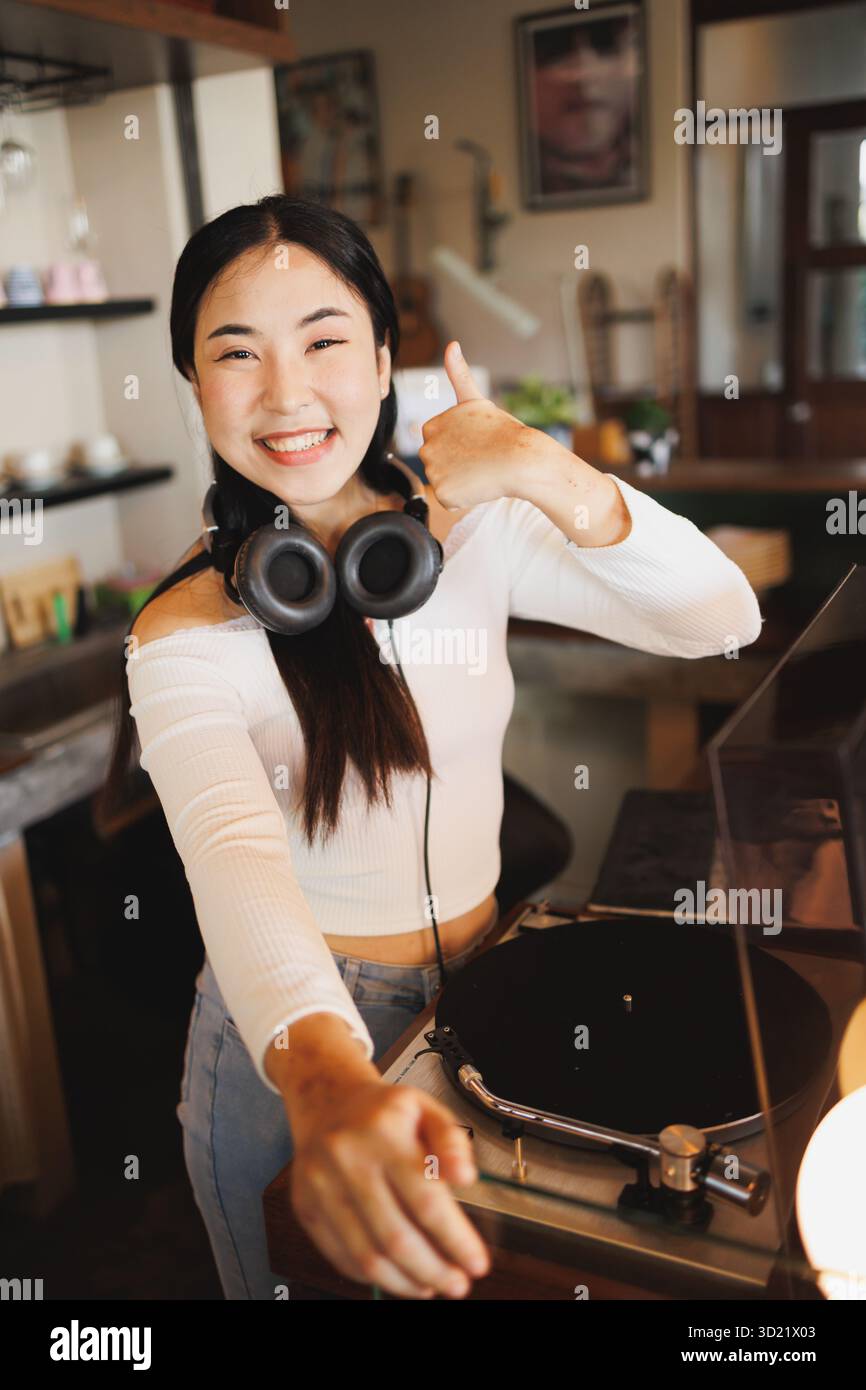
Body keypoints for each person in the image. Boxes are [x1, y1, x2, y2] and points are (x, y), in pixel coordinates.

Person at [100, 194, 763, 1301]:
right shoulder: (182, 628)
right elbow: (230, 854)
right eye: (236, 354)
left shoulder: (476, 528)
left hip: (486, 985)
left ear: (380, 360)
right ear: (192, 380)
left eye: (323, 342)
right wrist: (326, 1078)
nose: (287, 393)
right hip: (294, 1034)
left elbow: (721, 618)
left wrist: (544, 469)